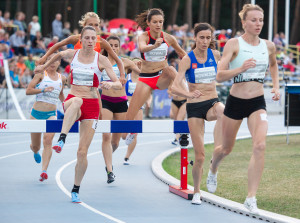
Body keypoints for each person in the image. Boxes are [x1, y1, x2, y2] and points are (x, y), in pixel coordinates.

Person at [206, 4, 280, 214]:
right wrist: (241, 68)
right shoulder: (233, 44)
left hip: (257, 102)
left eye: (261, 20)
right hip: (236, 102)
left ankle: (251, 198)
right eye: (254, 20)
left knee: (260, 146)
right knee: (225, 149)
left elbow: (273, 65)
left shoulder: (269, 46)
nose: (258, 24)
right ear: (244, 22)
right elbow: (219, 76)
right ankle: (213, 168)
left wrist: (275, 86)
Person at [34, 26, 122, 203]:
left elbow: (118, 82)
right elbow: (58, 54)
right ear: (81, 40)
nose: (90, 41)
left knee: (82, 152)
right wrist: (43, 65)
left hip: (92, 107)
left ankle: (75, 189)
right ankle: (62, 138)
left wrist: (111, 85)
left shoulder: (102, 60)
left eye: (93, 39)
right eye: (87, 38)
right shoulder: (72, 55)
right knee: (77, 101)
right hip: (73, 100)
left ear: (96, 41)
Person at [171, 23, 224, 205]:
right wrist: (187, 94)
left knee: (223, 110)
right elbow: (175, 85)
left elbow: (225, 71)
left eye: (208, 38)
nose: (204, 41)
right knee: (199, 155)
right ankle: (196, 191)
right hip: (194, 107)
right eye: (201, 37)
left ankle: (216, 157)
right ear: (195, 38)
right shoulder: (187, 59)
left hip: (211, 102)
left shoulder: (215, 55)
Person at [122, 8, 186, 142]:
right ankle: (131, 131)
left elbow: (182, 54)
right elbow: (142, 48)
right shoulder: (143, 37)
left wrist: (194, 62)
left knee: (171, 69)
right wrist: (154, 46)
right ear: (148, 23)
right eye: (155, 22)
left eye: (161, 22)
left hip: (161, 77)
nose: (158, 24)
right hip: (145, 79)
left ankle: (186, 94)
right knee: (128, 118)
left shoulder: (168, 37)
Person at [36, 12, 125, 85]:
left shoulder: (102, 42)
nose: (93, 27)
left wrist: (122, 75)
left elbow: (118, 60)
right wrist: (44, 57)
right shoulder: (76, 38)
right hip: (76, 75)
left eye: (96, 25)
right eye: (90, 24)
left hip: (91, 76)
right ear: (84, 25)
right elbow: (57, 45)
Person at [101, 35, 140, 183]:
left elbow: (141, 72)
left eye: (116, 45)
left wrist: (142, 66)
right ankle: (110, 170)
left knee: (117, 141)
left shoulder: (124, 62)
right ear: (106, 47)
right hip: (106, 101)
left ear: (119, 47)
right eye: (110, 45)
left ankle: (108, 161)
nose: (113, 47)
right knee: (106, 136)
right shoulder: (101, 61)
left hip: (121, 102)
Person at [26, 54, 66, 181]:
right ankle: (35, 150)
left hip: (51, 114)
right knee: (36, 145)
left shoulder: (62, 78)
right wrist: (43, 90)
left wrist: (67, 105)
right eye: (49, 60)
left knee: (48, 140)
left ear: (59, 62)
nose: (52, 63)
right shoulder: (41, 74)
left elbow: (60, 94)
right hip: (36, 114)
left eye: (55, 61)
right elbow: (28, 90)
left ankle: (44, 171)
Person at [123, 58, 143, 165]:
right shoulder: (127, 76)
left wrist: (148, 101)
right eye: (134, 63)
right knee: (123, 134)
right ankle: (126, 134)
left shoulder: (143, 78)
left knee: (135, 133)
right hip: (127, 104)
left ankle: (127, 157)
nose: (137, 65)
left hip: (139, 106)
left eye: (139, 63)